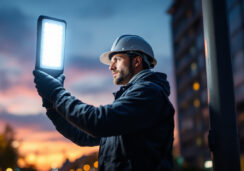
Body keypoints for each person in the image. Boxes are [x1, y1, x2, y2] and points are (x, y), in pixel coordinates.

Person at [33, 35, 175, 171]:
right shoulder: (134, 99)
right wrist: (51, 107)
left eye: (117, 60)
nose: (110, 67)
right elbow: (81, 136)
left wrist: (56, 93)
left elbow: (97, 121)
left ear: (137, 61)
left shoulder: (149, 93)